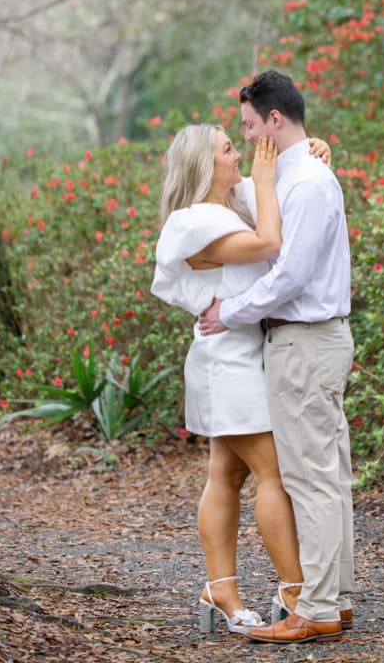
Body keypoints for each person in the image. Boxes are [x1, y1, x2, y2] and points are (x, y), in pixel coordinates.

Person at [152, 127, 330, 635]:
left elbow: (286, 186)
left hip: (247, 356)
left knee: (226, 476)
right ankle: (296, 592)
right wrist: (267, 175)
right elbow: (269, 241)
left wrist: (312, 150)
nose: (242, 155)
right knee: (273, 472)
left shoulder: (232, 202)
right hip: (225, 363)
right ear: (204, 168)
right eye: (228, 149)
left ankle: (220, 588)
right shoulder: (195, 222)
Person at [198, 70, 355, 644]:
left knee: (311, 478)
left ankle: (315, 609)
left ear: (275, 121)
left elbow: (291, 273)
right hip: (302, 339)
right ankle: (332, 600)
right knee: (326, 475)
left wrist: (231, 311)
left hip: (305, 339)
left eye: (247, 125)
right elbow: (220, 192)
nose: (244, 136)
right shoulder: (287, 176)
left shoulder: (309, 182)